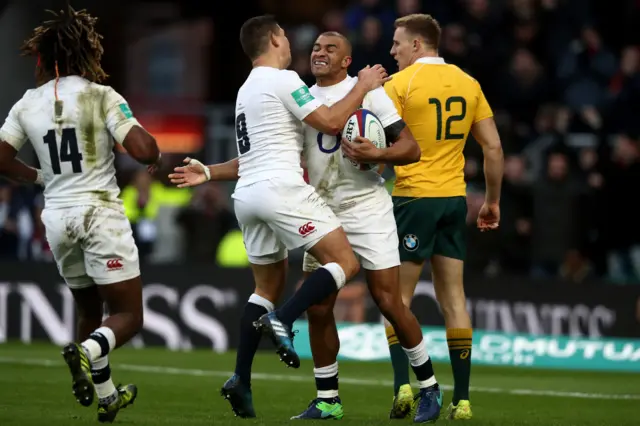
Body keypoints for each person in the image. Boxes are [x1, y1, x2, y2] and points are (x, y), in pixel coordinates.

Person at [169, 15, 389, 418]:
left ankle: (240, 377)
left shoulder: (245, 90)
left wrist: (209, 172)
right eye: (285, 36)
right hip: (280, 189)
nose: (291, 44)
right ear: (273, 39)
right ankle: (285, 320)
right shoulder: (283, 79)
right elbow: (331, 122)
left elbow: (254, 154)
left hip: (246, 196)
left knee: (264, 288)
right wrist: (363, 84)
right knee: (345, 262)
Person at [0, 6, 162, 423]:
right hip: (99, 212)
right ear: (86, 53)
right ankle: (86, 352)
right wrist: (151, 146)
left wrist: (39, 177)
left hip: (56, 216)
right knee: (129, 316)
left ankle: (106, 395)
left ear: (43, 58)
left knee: (90, 312)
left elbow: (1, 159)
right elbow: (144, 151)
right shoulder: (101, 96)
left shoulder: (26, 104)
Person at [351, 14, 502, 420]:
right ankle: (464, 400)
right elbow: (492, 148)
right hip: (454, 200)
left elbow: (382, 144)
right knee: (454, 299)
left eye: (398, 43)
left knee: (395, 300)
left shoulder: (400, 85)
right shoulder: (469, 83)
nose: (392, 50)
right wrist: (491, 202)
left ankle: (403, 386)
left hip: (414, 200)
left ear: (418, 44)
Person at [290, 31, 442, 423]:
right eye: (316, 48)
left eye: (330, 49)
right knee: (319, 307)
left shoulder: (371, 94)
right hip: (321, 211)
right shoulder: (302, 98)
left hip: (366, 206)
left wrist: (380, 153)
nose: (320, 53)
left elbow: (411, 149)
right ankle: (328, 399)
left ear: (346, 61)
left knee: (389, 301)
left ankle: (430, 389)